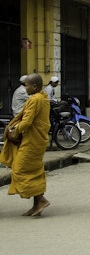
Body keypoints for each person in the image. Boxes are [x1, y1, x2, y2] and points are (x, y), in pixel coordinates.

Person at [0, 73, 52, 216]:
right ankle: (37, 204)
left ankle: (41, 199)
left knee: (20, 169)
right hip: (38, 140)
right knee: (34, 170)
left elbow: (27, 121)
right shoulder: (43, 97)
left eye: (27, 85)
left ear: (34, 86)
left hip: (32, 141)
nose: (25, 87)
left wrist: (14, 131)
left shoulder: (35, 100)